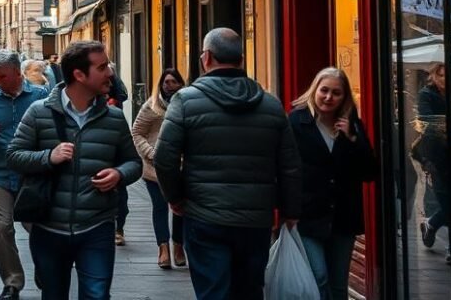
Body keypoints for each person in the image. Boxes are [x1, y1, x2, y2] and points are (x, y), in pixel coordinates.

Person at [154, 28, 302, 300]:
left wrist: (175, 198)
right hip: (255, 220)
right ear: (241, 60)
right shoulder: (270, 105)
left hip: (204, 214)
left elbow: (164, 157)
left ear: (206, 58)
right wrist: (290, 210)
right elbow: (290, 165)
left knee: (213, 292)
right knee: (249, 291)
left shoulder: (185, 101)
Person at [6, 40, 143, 300]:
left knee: (97, 294)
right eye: (102, 67)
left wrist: (119, 174)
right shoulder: (39, 112)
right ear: (79, 75)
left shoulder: (113, 118)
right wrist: (49, 156)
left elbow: (134, 162)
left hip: (97, 226)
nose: (110, 73)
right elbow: (13, 156)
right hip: (49, 228)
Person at [289, 67, 377, 300]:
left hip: (343, 217)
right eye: (324, 90)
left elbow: (370, 172)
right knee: (319, 276)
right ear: (314, 90)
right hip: (307, 215)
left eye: (336, 93)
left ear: (344, 96)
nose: (328, 97)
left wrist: (353, 140)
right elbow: (284, 167)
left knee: (338, 285)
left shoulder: (353, 125)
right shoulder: (297, 121)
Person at [0, 51, 48, 300]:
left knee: (36, 227)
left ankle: (44, 269)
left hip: (32, 174)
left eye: (2, 75)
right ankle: (12, 283)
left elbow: (51, 131)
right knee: (3, 228)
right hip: (0, 174)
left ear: (17, 72)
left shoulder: (39, 97)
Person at [131, 68, 188, 270]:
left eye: (174, 82)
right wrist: (151, 153)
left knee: (180, 208)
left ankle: (178, 247)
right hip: (154, 169)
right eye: (166, 82)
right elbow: (137, 132)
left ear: (181, 83)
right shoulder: (152, 107)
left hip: (181, 168)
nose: (169, 86)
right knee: (160, 207)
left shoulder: (187, 105)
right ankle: (163, 248)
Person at [414, 61, 451, 256]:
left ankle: (432, 223)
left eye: (448, 75)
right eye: (441, 75)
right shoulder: (426, 95)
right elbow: (428, 122)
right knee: (448, 201)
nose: (445, 79)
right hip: (436, 155)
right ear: (433, 76)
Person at [106, 61, 131, 245]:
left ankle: (119, 227)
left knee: (119, 188)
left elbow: (124, 94)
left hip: (115, 139)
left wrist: (116, 100)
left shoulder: (114, 80)